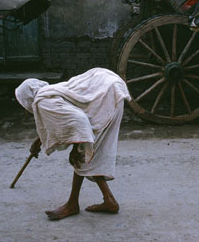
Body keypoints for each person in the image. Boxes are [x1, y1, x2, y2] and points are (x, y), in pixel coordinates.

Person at [15, 67, 131, 220]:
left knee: (81, 156)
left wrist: (77, 148)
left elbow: (78, 120)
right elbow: (63, 118)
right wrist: (41, 140)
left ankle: (73, 204)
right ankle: (108, 200)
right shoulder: (49, 92)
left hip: (107, 95)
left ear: (27, 99)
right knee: (88, 156)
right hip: (110, 87)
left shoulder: (42, 102)